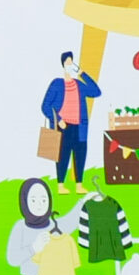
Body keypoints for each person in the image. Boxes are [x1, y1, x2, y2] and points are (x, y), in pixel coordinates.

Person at [38, 51, 100, 195]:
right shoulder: (57, 84)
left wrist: (81, 73)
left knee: (80, 154)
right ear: (63, 65)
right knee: (62, 155)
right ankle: (61, 185)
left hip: (79, 126)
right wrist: (59, 120)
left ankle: (79, 185)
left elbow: (96, 91)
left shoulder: (79, 85)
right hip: (63, 127)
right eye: (67, 62)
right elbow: (45, 106)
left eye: (72, 62)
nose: (70, 65)